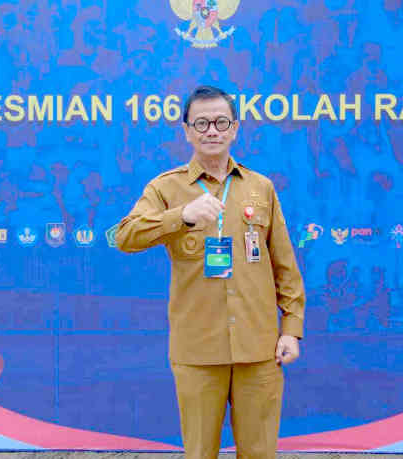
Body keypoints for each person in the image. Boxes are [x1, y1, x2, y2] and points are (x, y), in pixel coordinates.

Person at [116, 85, 305, 459]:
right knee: (200, 452)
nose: (212, 131)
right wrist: (181, 216)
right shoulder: (166, 187)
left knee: (260, 453)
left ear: (235, 128)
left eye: (221, 122)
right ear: (187, 131)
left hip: (259, 349)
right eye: (201, 123)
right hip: (198, 351)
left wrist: (291, 329)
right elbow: (125, 235)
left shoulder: (260, 187)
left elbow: (284, 266)